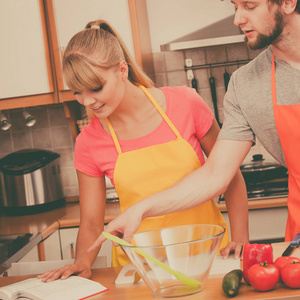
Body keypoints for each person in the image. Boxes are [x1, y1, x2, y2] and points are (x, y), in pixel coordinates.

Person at [38, 19, 248, 282]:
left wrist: (241, 240)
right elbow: (91, 221)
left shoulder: (185, 103)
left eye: (96, 88)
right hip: (140, 271)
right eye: (77, 92)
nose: (88, 101)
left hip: (207, 258)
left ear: (122, 70)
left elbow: (230, 176)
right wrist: (82, 261)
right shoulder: (89, 141)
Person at [88, 0, 300, 256]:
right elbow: (215, 175)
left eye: (250, 6)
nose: (238, 19)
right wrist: (140, 209)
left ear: (288, 3)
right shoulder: (245, 86)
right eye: (235, 7)